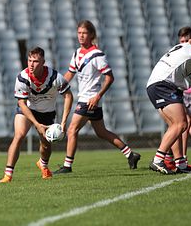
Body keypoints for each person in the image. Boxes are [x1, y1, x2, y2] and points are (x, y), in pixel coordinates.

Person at [54, 20, 141, 174]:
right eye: (79, 33)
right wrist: (56, 86)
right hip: (88, 100)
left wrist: (98, 96)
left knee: (72, 129)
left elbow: (110, 77)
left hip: (89, 99)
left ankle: (67, 166)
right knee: (101, 132)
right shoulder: (76, 53)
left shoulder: (97, 54)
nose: (81, 36)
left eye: (84, 33)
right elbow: (69, 74)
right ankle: (130, 154)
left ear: (92, 35)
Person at [0, 47, 73, 183]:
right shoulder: (22, 78)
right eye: (29, 60)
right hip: (28, 109)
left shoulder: (55, 77)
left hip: (47, 112)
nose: (31, 64)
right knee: (19, 136)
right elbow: (21, 103)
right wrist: (37, 124)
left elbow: (68, 96)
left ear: (43, 62)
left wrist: (63, 122)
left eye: (36, 61)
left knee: (45, 144)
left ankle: (43, 165)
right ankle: (8, 175)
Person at [146, 37, 191, 174]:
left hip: (159, 84)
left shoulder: (185, 47)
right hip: (164, 84)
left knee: (176, 125)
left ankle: (180, 163)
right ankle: (158, 160)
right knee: (180, 124)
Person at [165, 27, 191, 169]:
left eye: (187, 40)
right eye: (182, 40)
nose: (184, 43)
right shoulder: (179, 52)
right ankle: (182, 160)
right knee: (182, 126)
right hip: (183, 93)